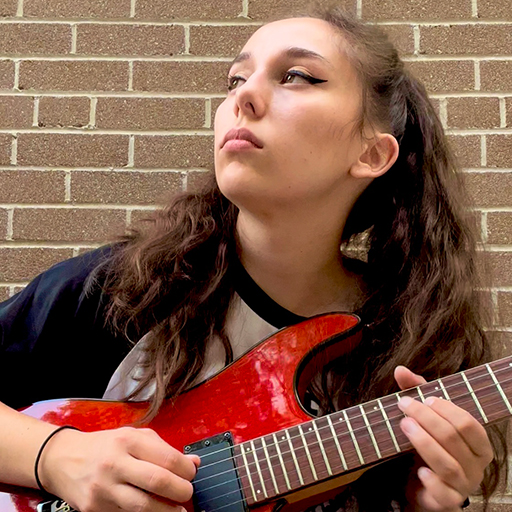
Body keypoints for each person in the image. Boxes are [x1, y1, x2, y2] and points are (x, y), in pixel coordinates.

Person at [0, 6, 506, 512]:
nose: (242, 97)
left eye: (297, 76)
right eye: (235, 80)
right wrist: (55, 457)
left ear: (371, 154)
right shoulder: (122, 288)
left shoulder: (413, 347)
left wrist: (424, 505)